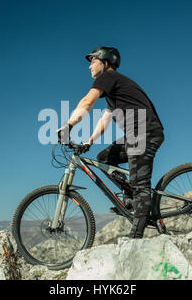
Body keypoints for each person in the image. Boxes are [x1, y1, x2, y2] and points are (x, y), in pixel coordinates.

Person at [57, 46, 165, 238]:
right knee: (104, 158)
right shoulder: (113, 91)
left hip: (145, 133)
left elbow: (87, 102)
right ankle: (130, 194)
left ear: (105, 63)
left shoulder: (107, 77)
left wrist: (69, 124)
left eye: (93, 61)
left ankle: (136, 234)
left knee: (140, 183)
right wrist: (88, 142)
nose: (90, 66)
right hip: (138, 134)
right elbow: (104, 120)